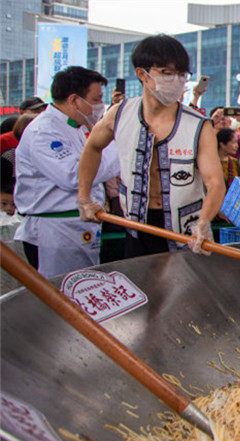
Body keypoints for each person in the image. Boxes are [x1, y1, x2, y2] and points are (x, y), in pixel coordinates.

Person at [78, 34, 226, 258]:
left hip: (186, 232)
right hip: (136, 227)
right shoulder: (119, 114)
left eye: (181, 74)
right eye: (166, 73)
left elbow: (215, 182)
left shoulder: (198, 125)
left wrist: (204, 221)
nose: (175, 81)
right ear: (142, 74)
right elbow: (92, 148)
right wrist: (84, 196)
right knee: (142, 288)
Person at [12, 66, 121, 276]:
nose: (100, 106)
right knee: (60, 295)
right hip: (54, 231)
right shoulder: (43, 132)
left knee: (82, 292)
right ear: (74, 100)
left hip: (77, 227)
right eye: (96, 100)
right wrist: (118, 144)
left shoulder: (74, 128)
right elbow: (74, 175)